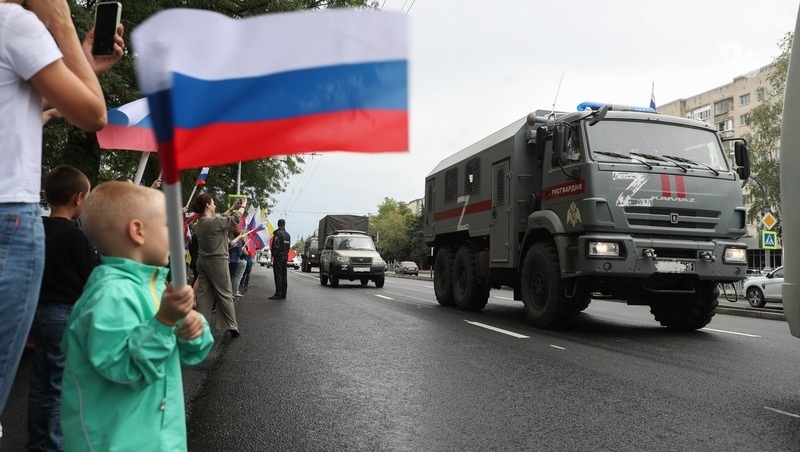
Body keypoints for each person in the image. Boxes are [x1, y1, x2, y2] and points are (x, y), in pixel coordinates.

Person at [0, 0, 123, 413]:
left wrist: (81, 65)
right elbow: (93, 114)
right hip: (8, 216)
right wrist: (61, 24)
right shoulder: (13, 23)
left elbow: (17, 108)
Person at [60, 181, 213, 451]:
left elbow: (189, 352)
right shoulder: (111, 295)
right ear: (138, 231)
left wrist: (192, 328)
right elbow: (124, 369)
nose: (176, 234)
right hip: (115, 441)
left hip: (155, 435)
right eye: (167, 225)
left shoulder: (152, 287)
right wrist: (165, 321)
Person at [26, 166, 97, 451]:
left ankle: (38, 442)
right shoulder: (75, 236)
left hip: (37, 313)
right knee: (61, 387)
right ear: (78, 197)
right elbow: (91, 277)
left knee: (40, 383)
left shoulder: (36, 230)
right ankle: (54, 445)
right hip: (65, 316)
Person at [191, 194, 246, 337]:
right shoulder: (212, 222)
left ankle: (200, 327)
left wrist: (232, 208)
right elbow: (234, 220)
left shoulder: (199, 224)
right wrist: (243, 206)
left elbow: (220, 218)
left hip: (202, 261)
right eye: (213, 203)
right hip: (217, 261)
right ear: (208, 205)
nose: (215, 205)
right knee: (225, 293)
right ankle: (231, 325)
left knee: (204, 295)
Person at [269, 219, 291, 300]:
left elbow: (276, 245)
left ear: (278, 224)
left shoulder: (278, 233)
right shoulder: (288, 235)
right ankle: (283, 294)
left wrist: (273, 255)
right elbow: (288, 247)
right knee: (284, 275)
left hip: (278, 257)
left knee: (278, 275)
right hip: (285, 256)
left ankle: (278, 294)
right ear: (284, 225)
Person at [228, 227, 248, 298]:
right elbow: (239, 253)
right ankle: (232, 292)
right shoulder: (239, 241)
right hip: (235, 260)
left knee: (230, 277)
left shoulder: (229, 239)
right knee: (234, 277)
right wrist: (242, 250)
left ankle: (230, 292)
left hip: (229, 260)